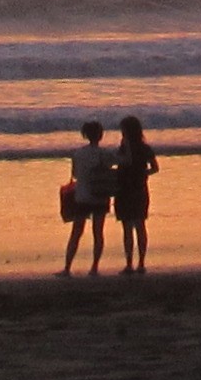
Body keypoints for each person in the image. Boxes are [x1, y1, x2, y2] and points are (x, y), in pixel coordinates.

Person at [109, 115, 162, 275]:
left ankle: (132, 263)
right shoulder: (143, 148)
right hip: (136, 188)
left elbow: (126, 163)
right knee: (138, 225)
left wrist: (138, 173)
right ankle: (139, 263)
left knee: (130, 227)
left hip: (128, 189)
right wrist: (142, 173)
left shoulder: (127, 147)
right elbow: (154, 168)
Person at [63, 120, 115, 278]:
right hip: (100, 195)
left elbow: (75, 175)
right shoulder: (105, 153)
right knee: (98, 233)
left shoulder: (78, 153)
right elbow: (114, 165)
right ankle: (94, 267)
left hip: (82, 195)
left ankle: (67, 268)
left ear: (85, 135)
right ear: (100, 135)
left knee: (76, 233)